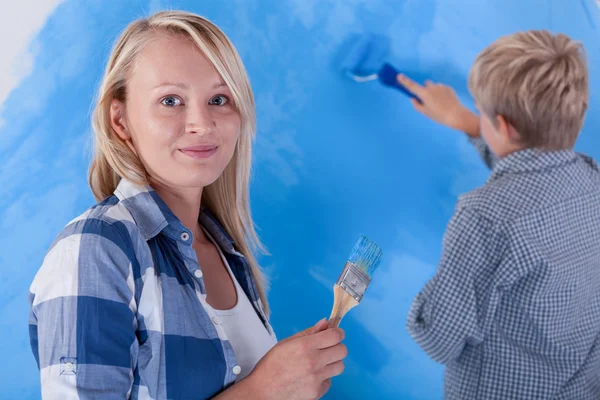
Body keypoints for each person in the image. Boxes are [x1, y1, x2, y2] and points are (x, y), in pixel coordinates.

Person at [28, 10, 346, 400]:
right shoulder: (95, 250)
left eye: (218, 98)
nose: (201, 122)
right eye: (171, 100)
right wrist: (265, 390)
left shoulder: (229, 253)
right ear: (121, 120)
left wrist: (293, 375)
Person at [402, 30, 600, 399]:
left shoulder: (483, 218)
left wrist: (431, 301)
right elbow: (538, 176)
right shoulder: (592, 180)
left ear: (504, 126)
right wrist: (472, 123)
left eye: (482, 111)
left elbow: (438, 338)